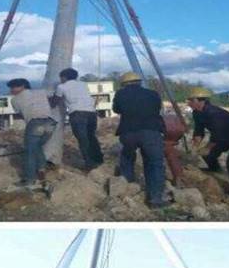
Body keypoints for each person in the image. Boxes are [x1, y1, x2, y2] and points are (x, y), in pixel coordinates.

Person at [112, 71, 166, 208]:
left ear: (124, 84)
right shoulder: (153, 94)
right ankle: (155, 198)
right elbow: (157, 108)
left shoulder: (120, 94)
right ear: (139, 82)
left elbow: (116, 109)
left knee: (127, 156)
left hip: (128, 132)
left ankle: (128, 187)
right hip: (151, 131)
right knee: (154, 163)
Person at [187, 87, 229, 199]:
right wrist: (196, 142)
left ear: (201, 100)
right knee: (208, 155)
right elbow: (199, 129)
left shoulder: (214, 113)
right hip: (225, 136)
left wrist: (207, 147)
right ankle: (215, 169)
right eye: (188, 100)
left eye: (191, 100)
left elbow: (218, 136)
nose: (188, 102)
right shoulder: (196, 113)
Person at [7, 78, 58, 193]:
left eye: (13, 87)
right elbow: (52, 98)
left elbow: (21, 113)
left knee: (29, 152)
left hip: (35, 124)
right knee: (37, 148)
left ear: (23, 86)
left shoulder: (15, 100)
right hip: (50, 124)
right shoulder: (41, 92)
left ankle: (30, 180)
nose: (11, 90)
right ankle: (41, 173)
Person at [53, 68, 103, 170]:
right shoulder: (83, 84)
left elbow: (54, 102)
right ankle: (99, 159)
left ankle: (89, 163)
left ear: (64, 77)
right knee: (91, 137)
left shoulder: (61, 87)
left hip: (77, 114)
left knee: (83, 139)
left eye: (61, 78)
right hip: (91, 113)